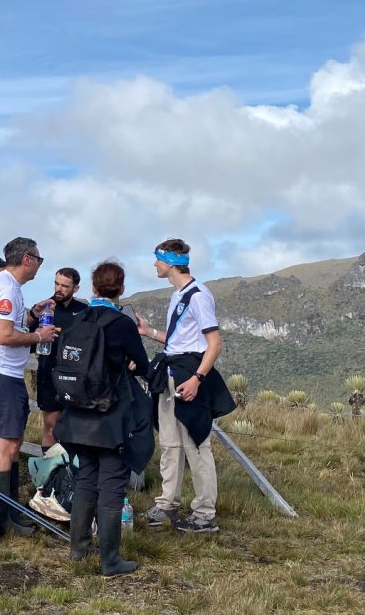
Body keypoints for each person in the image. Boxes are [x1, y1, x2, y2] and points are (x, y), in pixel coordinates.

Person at [53, 260, 152, 576]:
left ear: (93, 288)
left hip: (78, 414)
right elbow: (142, 363)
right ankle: (110, 561)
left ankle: (78, 549)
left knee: (86, 479)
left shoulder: (79, 318)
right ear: (121, 289)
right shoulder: (121, 324)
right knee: (111, 484)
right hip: (110, 418)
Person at [137, 239, 236, 534]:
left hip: (188, 374)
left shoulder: (198, 296)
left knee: (196, 443)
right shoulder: (177, 295)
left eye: (157, 259)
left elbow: (214, 344)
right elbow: (179, 338)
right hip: (170, 372)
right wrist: (149, 332)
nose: (155, 264)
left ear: (169, 261)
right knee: (170, 443)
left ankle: (204, 513)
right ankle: (167, 503)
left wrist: (197, 379)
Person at [0, 237, 56, 534]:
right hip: (1, 375)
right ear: (27, 259)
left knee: (10, 444)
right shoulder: (7, 287)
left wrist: (32, 315)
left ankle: (9, 510)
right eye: (39, 258)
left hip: (4, 374)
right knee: (6, 447)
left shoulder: (7, 286)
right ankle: (0, 518)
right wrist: (39, 337)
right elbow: (5, 335)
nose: (39, 264)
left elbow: (11, 324)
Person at [29, 267, 87, 451]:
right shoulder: (44, 308)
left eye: (65, 286)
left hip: (75, 378)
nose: (59, 289)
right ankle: (51, 477)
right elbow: (30, 341)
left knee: (75, 429)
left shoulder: (84, 311)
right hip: (49, 374)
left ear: (76, 288)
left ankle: (73, 476)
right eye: (56, 283)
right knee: (51, 428)